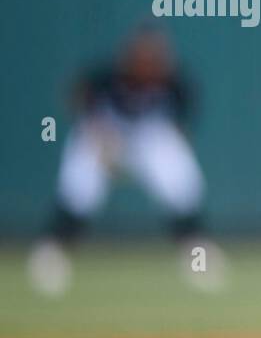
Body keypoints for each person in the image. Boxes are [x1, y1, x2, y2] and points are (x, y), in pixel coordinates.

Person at [28, 24, 223, 295]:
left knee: (178, 172)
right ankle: (52, 253)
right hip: (106, 136)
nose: (149, 62)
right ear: (130, 56)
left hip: (147, 141)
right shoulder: (107, 77)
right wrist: (99, 135)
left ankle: (198, 255)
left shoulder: (176, 83)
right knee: (80, 180)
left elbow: (182, 129)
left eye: (155, 56)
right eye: (143, 55)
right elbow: (75, 95)